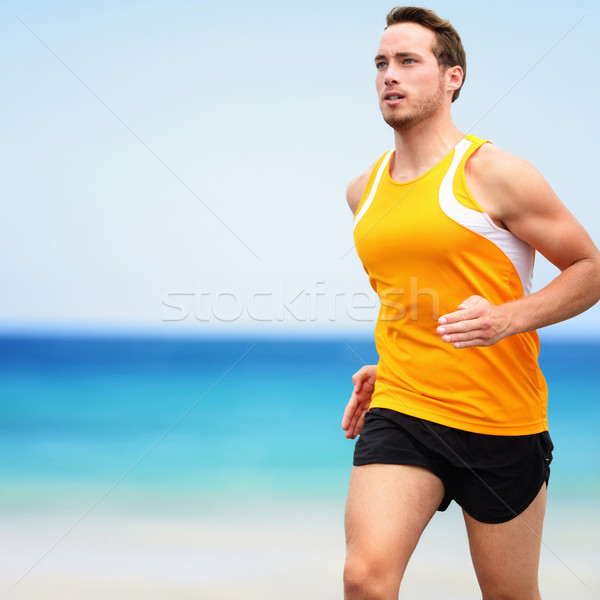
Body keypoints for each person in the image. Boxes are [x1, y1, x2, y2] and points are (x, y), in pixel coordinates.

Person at [341, 6, 600, 600]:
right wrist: (396, 365)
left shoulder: (495, 173)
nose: (390, 76)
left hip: (500, 422)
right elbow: (408, 297)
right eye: (381, 63)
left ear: (451, 76)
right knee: (364, 579)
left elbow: (589, 269)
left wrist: (509, 318)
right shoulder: (363, 189)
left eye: (408, 61)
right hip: (404, 409)